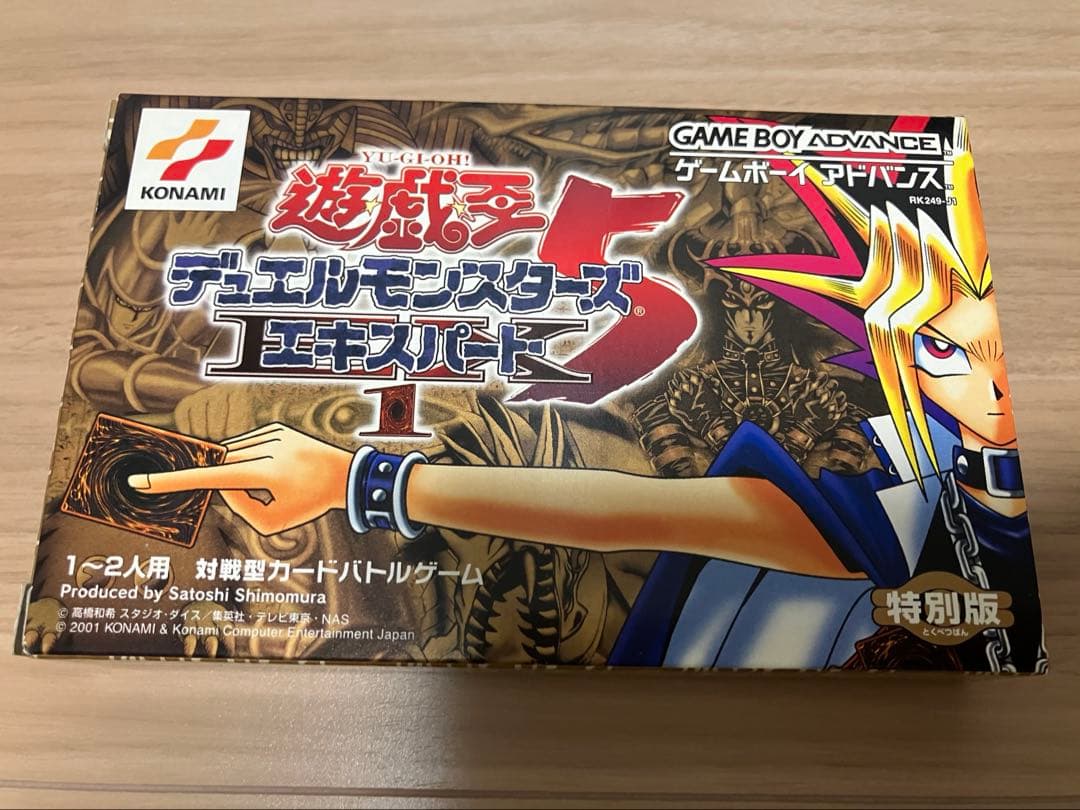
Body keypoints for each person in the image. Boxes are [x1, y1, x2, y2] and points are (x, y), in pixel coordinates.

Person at [129, 119, 1045, 672]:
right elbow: (635, 508)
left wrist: (354, 481)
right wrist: (361, 481)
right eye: (947, 348)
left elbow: (633, 513)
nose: (993, 381)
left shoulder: (937, 495)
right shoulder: (899, 494)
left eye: (996, 353)